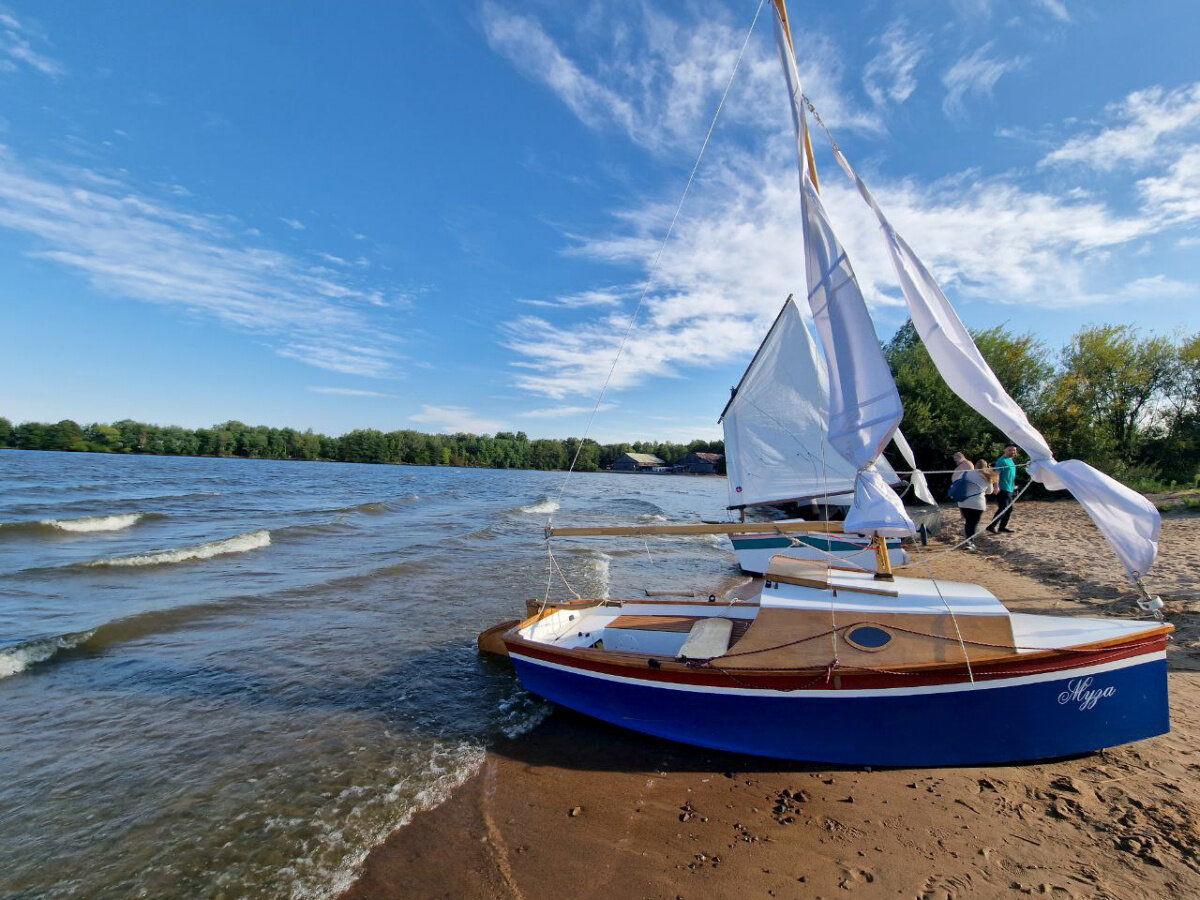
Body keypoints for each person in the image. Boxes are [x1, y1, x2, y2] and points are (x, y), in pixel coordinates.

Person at [952, 458, 991, 550]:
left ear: (975, 466)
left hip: (963, 502)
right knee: (974, 523)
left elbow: (956, 483)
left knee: (968, 522)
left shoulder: (965, 473)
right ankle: (970, 542)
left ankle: (968, 541)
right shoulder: (986, 476)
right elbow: (990, 491)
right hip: (978, 503)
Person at [986, 444, 1020, 533]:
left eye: (1014, 450)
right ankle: (991, 526)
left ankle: (1002, 527)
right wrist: (996, 486)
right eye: (1010, 450)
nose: (1013, 452)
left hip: (1010, 488)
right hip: (1003, 489)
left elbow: (1010, 476)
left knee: (1009, 509)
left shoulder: (1011, 460)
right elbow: (996, 474)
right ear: (1005, 450)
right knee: (1003, 508)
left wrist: (1014, 487)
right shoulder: (1002, 461)